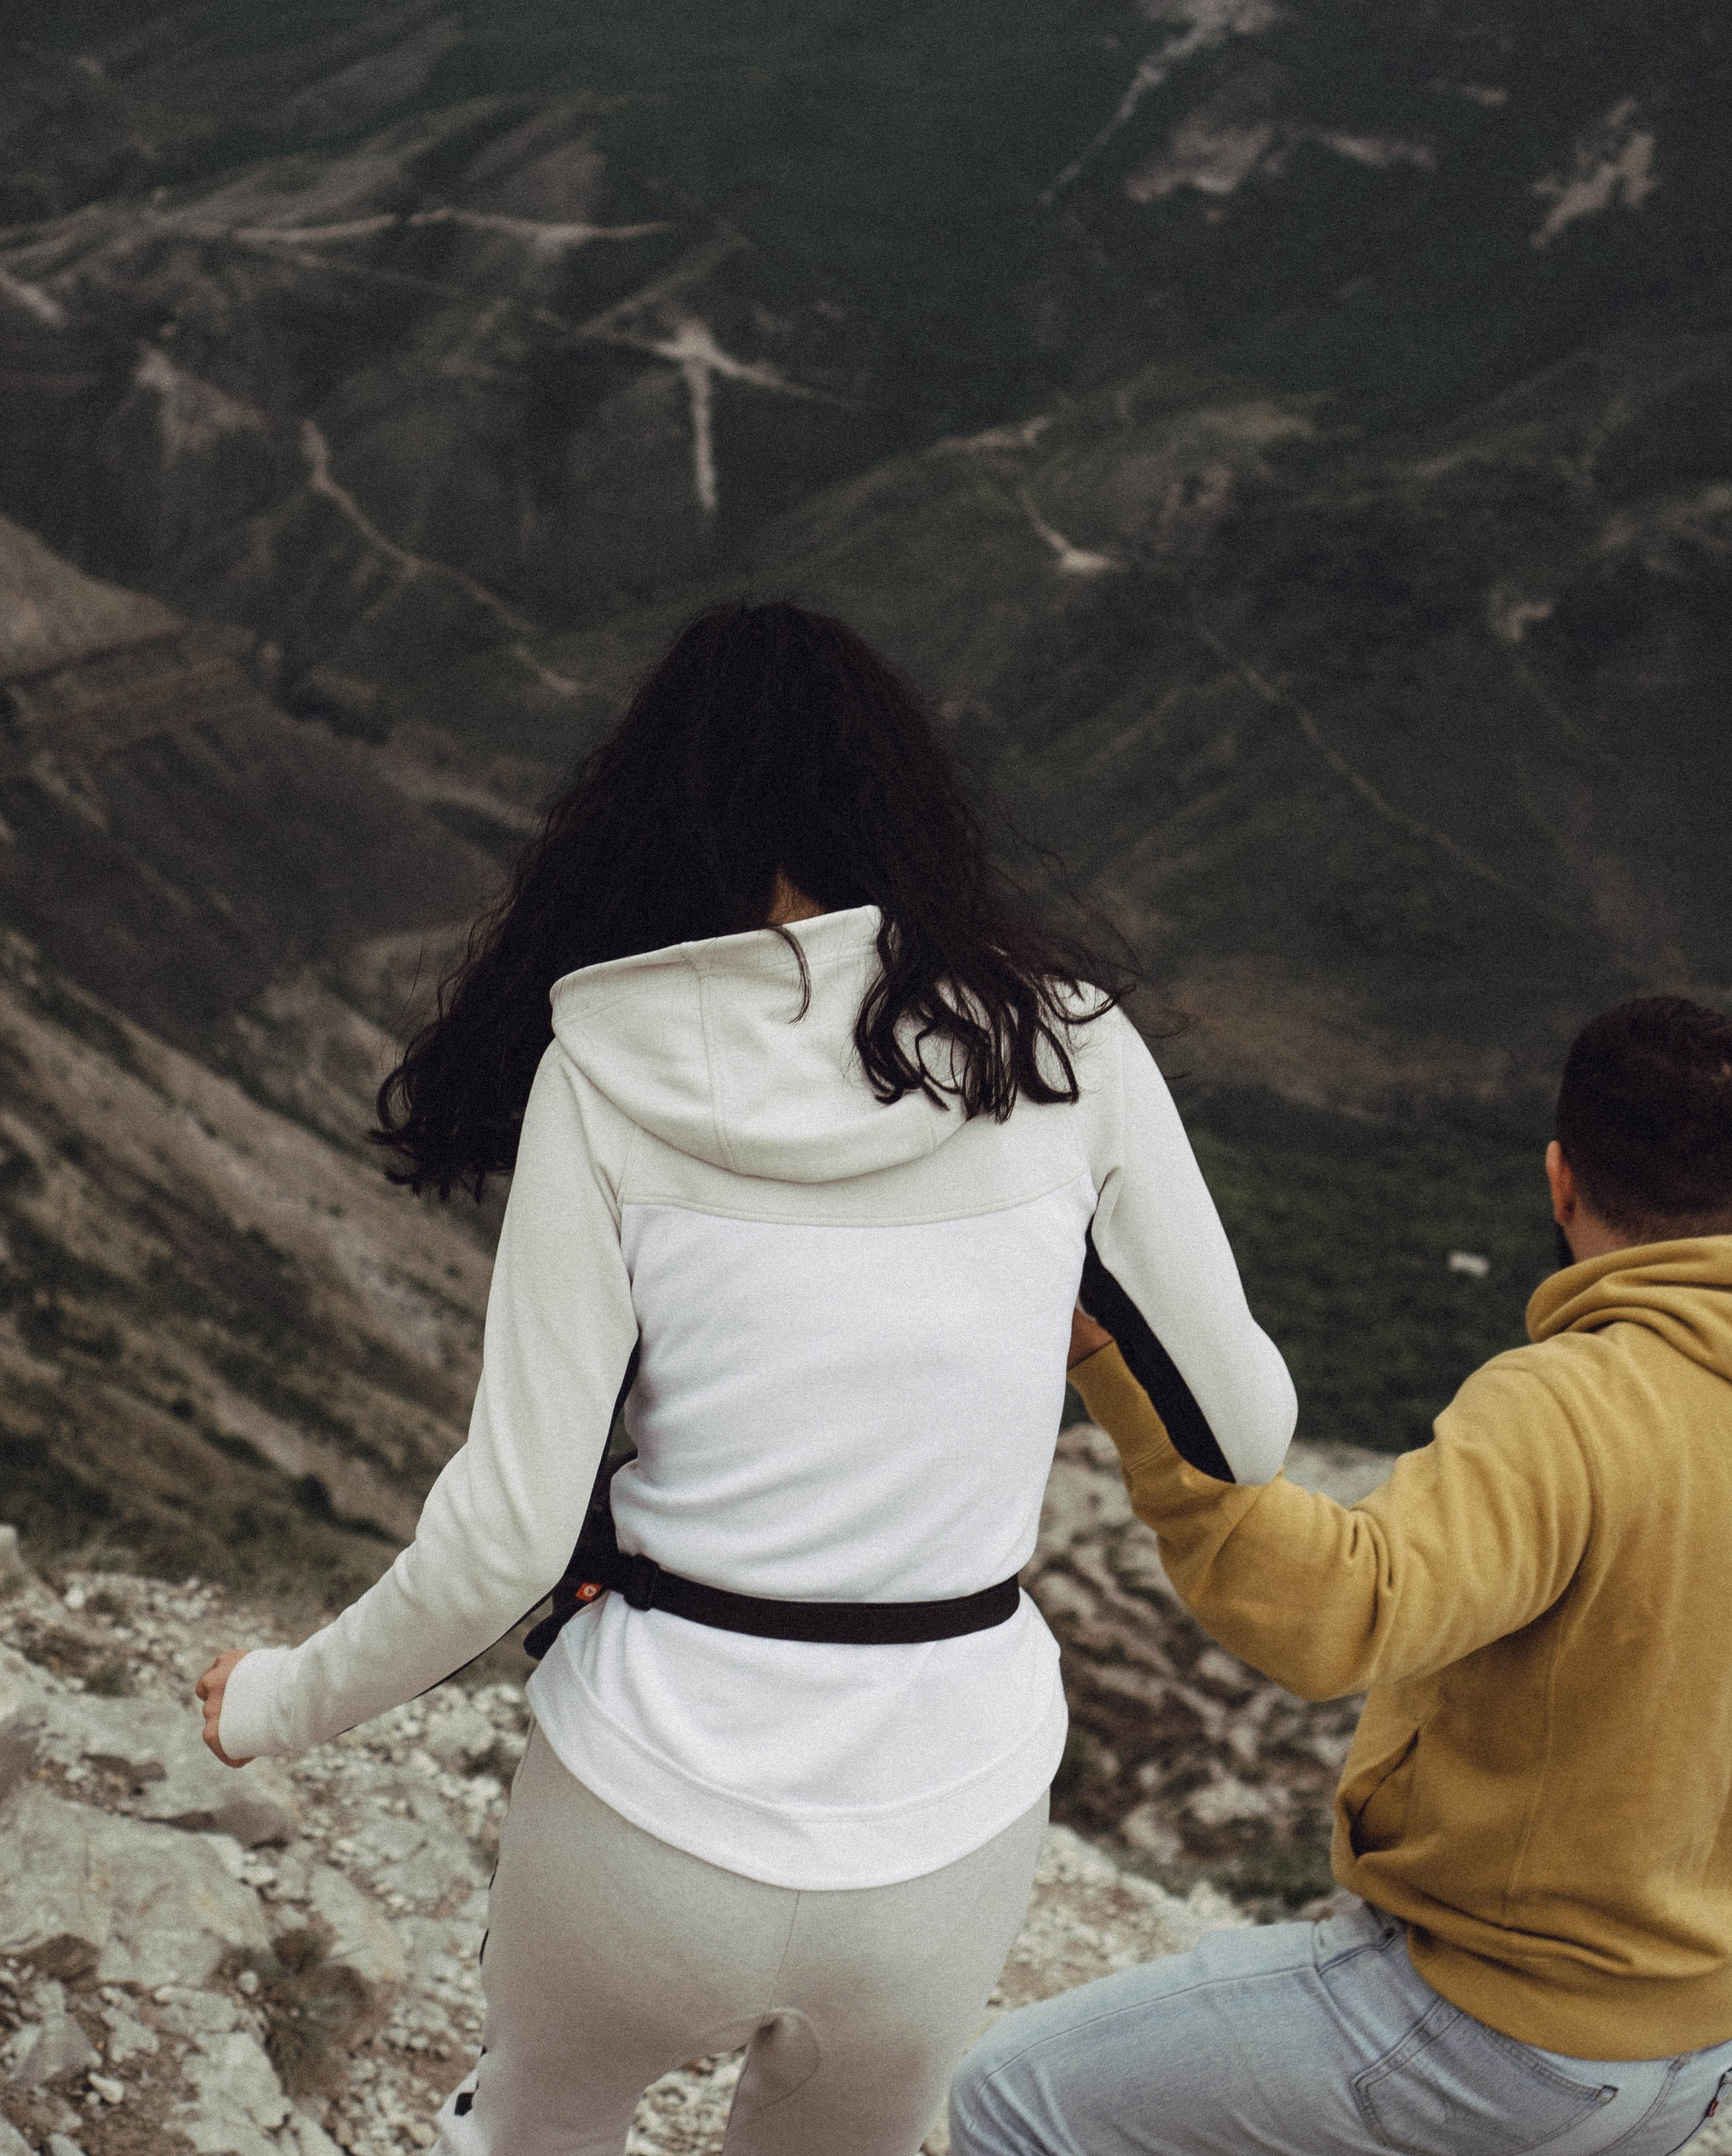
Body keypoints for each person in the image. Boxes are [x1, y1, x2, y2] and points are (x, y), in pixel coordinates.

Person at [194, 601, 1296, 2156]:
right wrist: (1088, 1325)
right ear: (902, 801)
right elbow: (1244, 1435)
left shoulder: (605, 1068)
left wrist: (278, 1704)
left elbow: (505, 1540)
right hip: (946, 1818)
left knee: (531, 2132)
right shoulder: (1068, 1049)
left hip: (645, 1804)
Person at [949, 995, 1732, 2156]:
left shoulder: (1574, 1402)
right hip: (1687, 2058)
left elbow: (1334, 1617)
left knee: (1011, 2097)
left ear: (1561, 1181)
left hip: (1497, 2031)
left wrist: (1120, 1374)